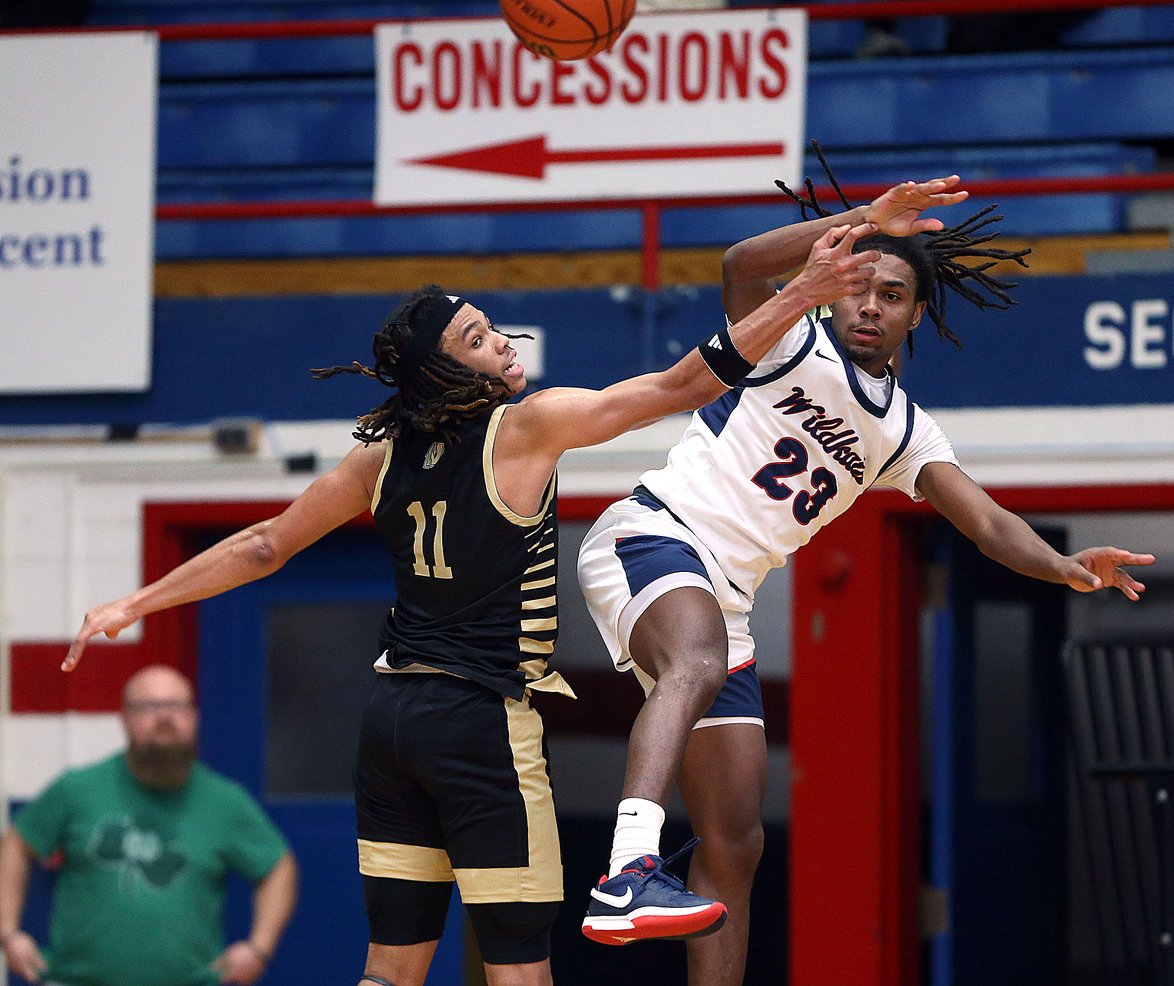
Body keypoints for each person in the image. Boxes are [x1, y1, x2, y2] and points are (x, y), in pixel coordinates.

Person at [53, 211, 904, 986]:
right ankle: (630, 874)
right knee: (520, 976)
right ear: (444, 371)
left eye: (488, 323)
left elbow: (264, 544)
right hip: (480, 720)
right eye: (474, 336)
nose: (499, 338)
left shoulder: (375, 456)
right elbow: (685, 385)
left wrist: (134, 604)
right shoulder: (523, 425)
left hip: (390, 717)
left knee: (390, 970)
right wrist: (800, 294)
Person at [575, 155, 1157, 985]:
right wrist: (869, 223)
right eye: (862, 285)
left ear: (915, 316)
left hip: (727, 597)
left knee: (737, 835)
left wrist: (1063, 565)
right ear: (838, 284)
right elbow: (740, 263)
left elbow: (986, 521)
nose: (871, 306)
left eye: (892, 296)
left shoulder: (904, 433)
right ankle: (628, 869)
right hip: (654, 536)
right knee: (696, 661)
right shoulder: (789, 336)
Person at [0, 664, 297, 986]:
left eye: (177, 706)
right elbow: (17, 843)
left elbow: (278, 865)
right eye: (149, 707)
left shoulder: (225, 801)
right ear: (124, 718)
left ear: (194, 718)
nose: (164, 718)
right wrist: (9, 933)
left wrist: (259, 948)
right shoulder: (77, 789)